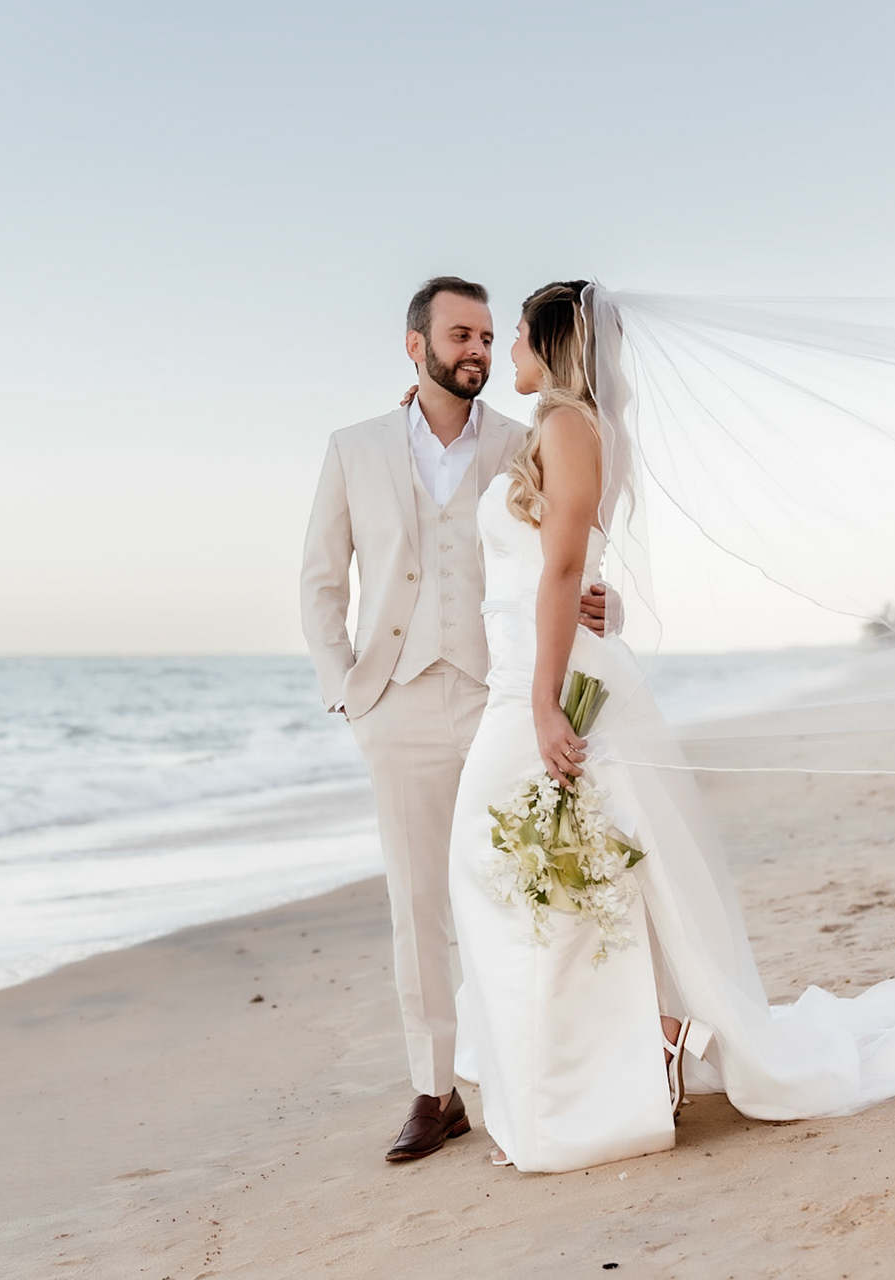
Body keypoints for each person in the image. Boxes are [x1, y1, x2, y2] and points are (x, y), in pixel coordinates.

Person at [447, 282, 895, 1173]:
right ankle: (627, 1054)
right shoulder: (572, 428)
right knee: (561, 877)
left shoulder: (566, 424)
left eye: (518, 333)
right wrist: (599, 609)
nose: (509, 349)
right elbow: (569, 569)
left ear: (552, 343)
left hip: (538, 681)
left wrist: (542, 698)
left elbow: (562, 569)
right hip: (539, 666)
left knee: (520, 870)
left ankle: (614, 1069)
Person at [299, 276, 612, 1162]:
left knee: (515, 888)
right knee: (419, 901)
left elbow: (569, 560)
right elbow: (320, 581)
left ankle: (524, 1067)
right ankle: (435, 1092)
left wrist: (601, 604)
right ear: (416, 346)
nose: (478, 349)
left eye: (488, 334)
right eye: (461, 335)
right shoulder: (353, 447)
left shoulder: (527, 437)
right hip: (393, 701)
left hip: (498, 698)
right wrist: (345, 688)